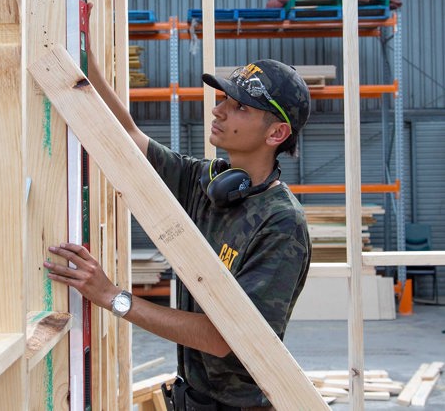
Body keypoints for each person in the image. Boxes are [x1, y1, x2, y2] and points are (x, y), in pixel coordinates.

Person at [44, 55, 312, 410]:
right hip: (191, 399)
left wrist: (112, 296)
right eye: (223, 100)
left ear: (276, 133)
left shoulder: (281, 223)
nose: (218, 111)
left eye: (239, 107)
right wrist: (85, 54)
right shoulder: (205, 183)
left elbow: (223, 338)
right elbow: (127, 136)